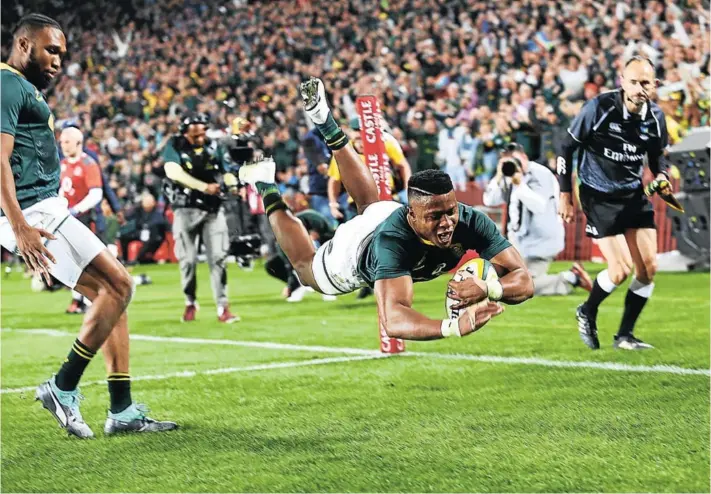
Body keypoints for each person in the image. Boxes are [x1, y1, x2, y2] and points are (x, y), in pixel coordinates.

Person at [239, 78, 534, 340]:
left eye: (450, 212)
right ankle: (266, 185)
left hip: (384, 211)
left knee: (372, 204)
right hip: (354, 255)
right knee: (306, 270)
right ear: (412, 213)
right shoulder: (392, 243)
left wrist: (491, 288)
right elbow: (393, 319)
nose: (446, 223)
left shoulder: (470, 221)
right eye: (435, 217)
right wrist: (451, 327)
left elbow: (523, 279)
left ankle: (324, 120)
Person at [0, 14, 176, 438]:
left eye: (62, 52)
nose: (59, 60)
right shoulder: (6, 84)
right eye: (51, 50)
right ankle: (63, 386)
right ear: (24, 45)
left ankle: (122, 410)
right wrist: (19, 226)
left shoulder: (21, 87)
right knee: (123, 285)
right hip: (35, 211)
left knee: (109, 297)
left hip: (39, 208)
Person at [557, 56, 672, 351]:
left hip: (633, 193)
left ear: (654, 85)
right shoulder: (599, 107)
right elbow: (566, 147)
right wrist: (565, 193)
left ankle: (625, 335)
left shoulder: (656, 118)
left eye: (645, 83)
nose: (639, 88)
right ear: (622, 82)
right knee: (619, 270)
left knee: (648, 267)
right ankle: (587, 310)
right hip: (598, 194)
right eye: (633, 82)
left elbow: (659, 158)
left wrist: (662, 176)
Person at [483, 143, 593, 296]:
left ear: (524, 157)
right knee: (499, 279)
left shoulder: (541, 174)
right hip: (517, 241)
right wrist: (499, 176)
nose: (512, 165)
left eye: (515, 160)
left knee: (522, 287)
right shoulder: (508, 175)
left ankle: (571, 278)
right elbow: (489, 200)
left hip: (540, 242)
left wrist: (519, 184)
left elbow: (539, 206)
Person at [162, 112, 239, 323]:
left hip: (212, 209)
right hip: (185, 208)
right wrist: (204, 187)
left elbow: (226, 171)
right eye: (194, 135)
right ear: (185, 133)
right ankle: (190, 301)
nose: (199, 139)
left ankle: (223, 306)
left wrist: (232, 185)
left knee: (218, 258)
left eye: (202, 133)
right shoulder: (175, 145)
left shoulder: (214, 146)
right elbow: (173, 172)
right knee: (187, 260)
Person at [59, 126, 104, 314]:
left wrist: (76, 209)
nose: (63, 145)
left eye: (67, 142)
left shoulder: (88, 163)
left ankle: (88, 299)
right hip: (65, 219)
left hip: (84, 219)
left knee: (86, 261)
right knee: (72, 261)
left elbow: (96, 193)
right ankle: (79, 299)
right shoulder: (62, 164)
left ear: (78, 142)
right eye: (62, 142)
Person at [264, 209, 336, 303]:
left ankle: (326, 288)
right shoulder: (282, 234)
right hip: (302, 262)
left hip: (325, 253)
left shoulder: (312, 218)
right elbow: (289, 264)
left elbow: (331, 236)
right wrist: (290, 285)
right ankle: (300, 285)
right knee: (271, 265)